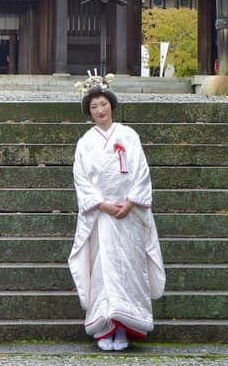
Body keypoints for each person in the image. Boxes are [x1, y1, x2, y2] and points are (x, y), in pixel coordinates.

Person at [68, 76, 165, 351]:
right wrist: (102, 204)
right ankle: (104, 327)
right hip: (102, 214)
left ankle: (125, 328)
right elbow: (81, 179)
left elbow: (141, 171)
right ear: (89, 112)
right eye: (95, 106)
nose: (100, 110)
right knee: (104, 270)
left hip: (129, 213)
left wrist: (132, 202)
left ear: (112, 105)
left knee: (129, 268)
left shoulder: (129, 135)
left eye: (104, 104)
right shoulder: (85, 142)